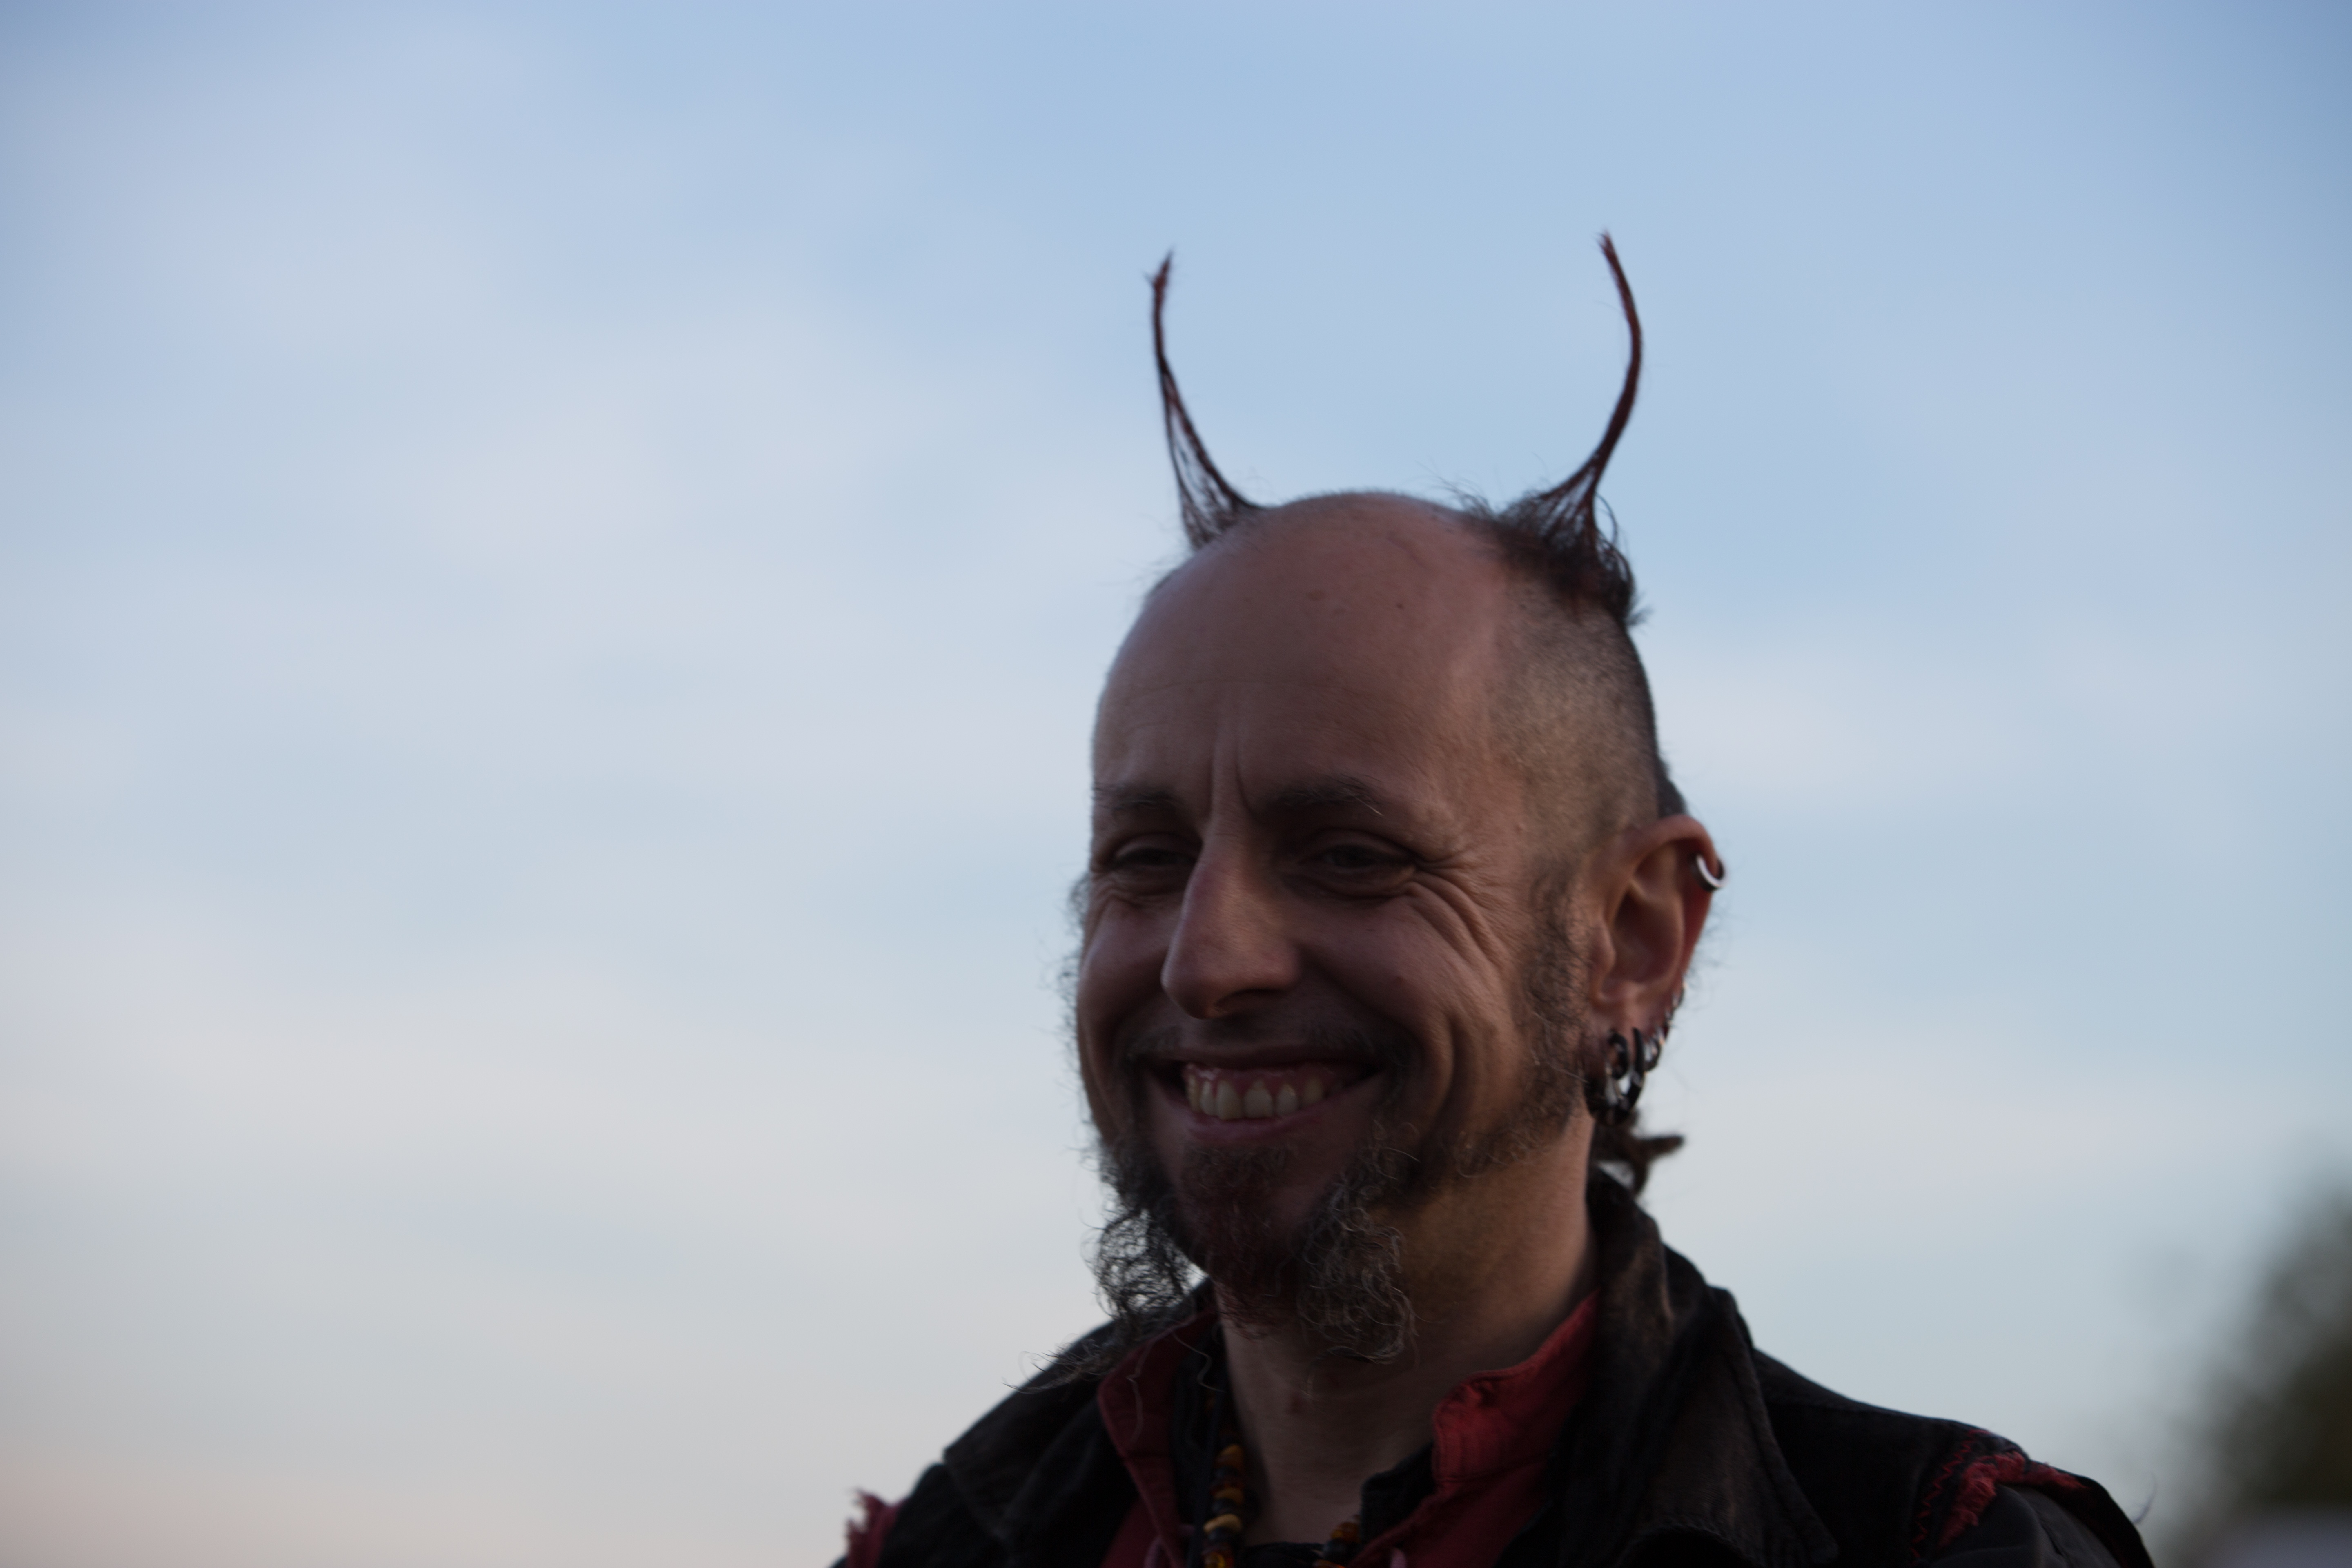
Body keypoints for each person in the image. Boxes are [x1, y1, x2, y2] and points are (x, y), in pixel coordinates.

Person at [839, 241, 2152, 1568]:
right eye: (1145, 858)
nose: (1206, 960)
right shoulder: (951, 1545)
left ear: (1632, 941)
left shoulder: (1937, 1548)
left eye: (1350, 855)